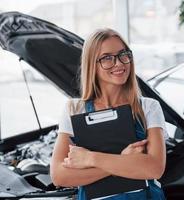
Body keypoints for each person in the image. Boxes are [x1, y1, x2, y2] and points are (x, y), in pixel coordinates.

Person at [50, 28, 168, 200]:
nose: (119, 63)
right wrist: (125, 161)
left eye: (123, 55)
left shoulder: (148, 107)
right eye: (107, 58)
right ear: (92, 64)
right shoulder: (74, 110)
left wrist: (90, 159)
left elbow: (154, 168)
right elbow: (60, 176)